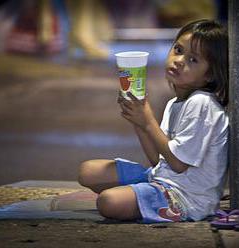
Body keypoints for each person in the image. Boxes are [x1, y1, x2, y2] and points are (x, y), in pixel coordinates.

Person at [78, 19, 229, 223]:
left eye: (193, 60)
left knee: (109, 202)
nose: (179, 60)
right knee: (88, 171)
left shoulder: (201, 104)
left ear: (210, 74)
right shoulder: (175, 103)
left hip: (186, 197)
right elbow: (159, 160)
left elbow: (178, 164)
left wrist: (148, 120)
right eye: (178, 49)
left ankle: (139, 196)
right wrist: (139, 121)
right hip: (162, 177)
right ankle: (139, 194)